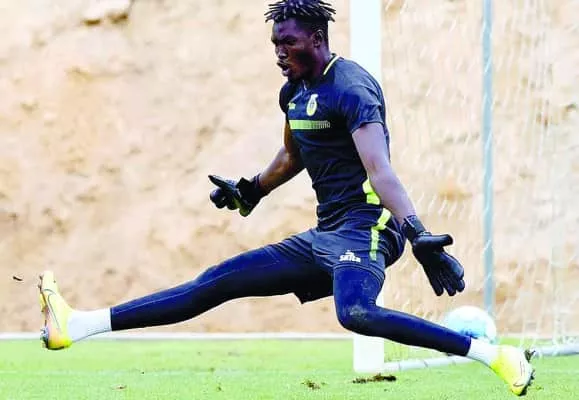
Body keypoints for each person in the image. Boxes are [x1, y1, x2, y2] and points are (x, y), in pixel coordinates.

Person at [38, 0, 534, 396]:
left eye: (288, 42)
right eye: (275, 43)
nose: (278, 52)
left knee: (355, 313)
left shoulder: (353, 88)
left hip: (368, 228)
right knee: (215, 282)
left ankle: (496, 357)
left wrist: (417, 231)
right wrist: (251, 189)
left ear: (316, 39)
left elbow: (380, 170)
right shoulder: (293, 91)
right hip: (325, 235)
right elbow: (293, 154)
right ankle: (77, 325)